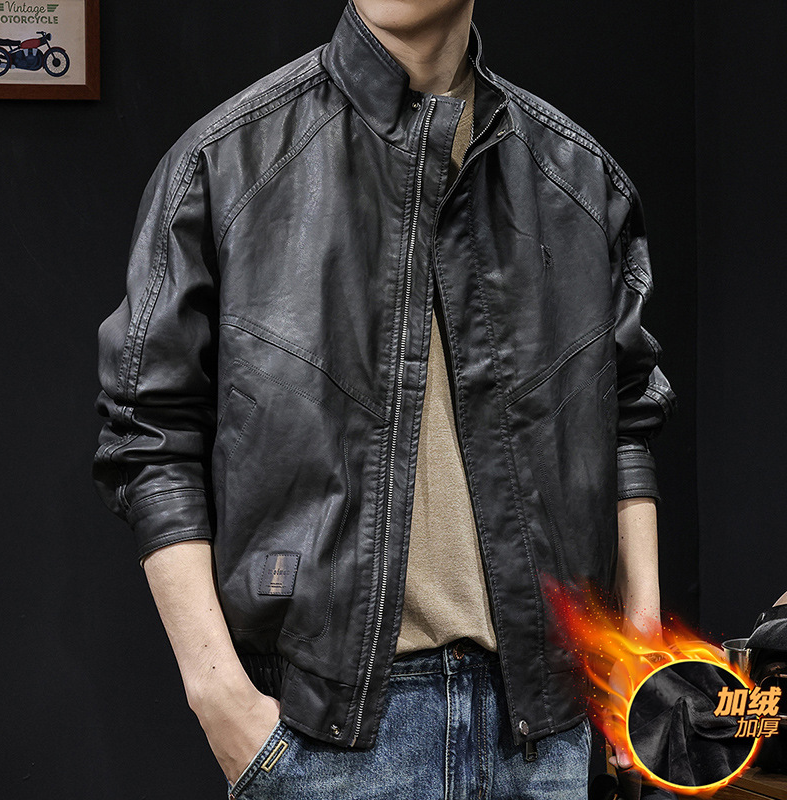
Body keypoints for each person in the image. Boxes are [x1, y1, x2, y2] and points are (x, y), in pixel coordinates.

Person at [93, 0, 676, 797]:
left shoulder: (580, 177)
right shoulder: (225, 163)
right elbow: (148, 434)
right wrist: (219, 697)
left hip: (548, 733)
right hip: (327, 737)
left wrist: (637, 647)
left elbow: (627, 415)